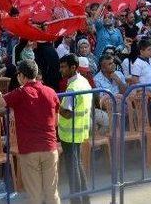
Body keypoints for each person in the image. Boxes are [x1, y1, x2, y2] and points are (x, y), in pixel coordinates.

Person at [0, 59, 61, 204]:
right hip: (50, 148)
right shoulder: (51, 92)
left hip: (29, 150)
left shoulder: (19, 93)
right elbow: (56, 122)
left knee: (34, 195)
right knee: (52, 193)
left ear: (21, 76)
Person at [57, 54, 93, 204]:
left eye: (64, 67)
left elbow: (67, 113)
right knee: (77, 164)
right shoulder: (83, 81)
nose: (61, 70)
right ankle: (84, 199)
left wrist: (55, 104)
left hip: (70, 132)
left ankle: (77, 200)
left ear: (73, 67)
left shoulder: (72, 87)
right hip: (79, 130)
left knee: (73, 168)